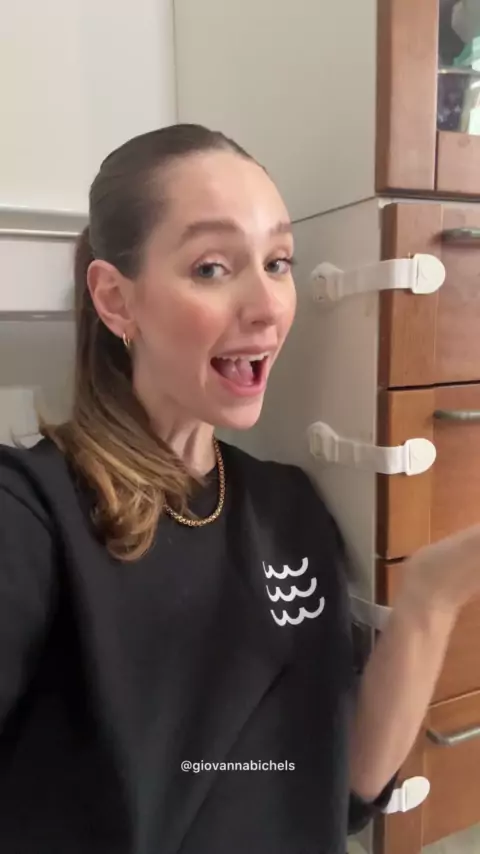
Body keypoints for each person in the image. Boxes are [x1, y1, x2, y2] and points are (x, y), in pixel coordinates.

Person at [1, 124, 480, 854]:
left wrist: (431, 598)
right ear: (116, 300)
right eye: (213, 267)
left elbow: (343, 791)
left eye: (278, 262)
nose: (268, 306)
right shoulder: (30, 514)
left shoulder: (288, 507)